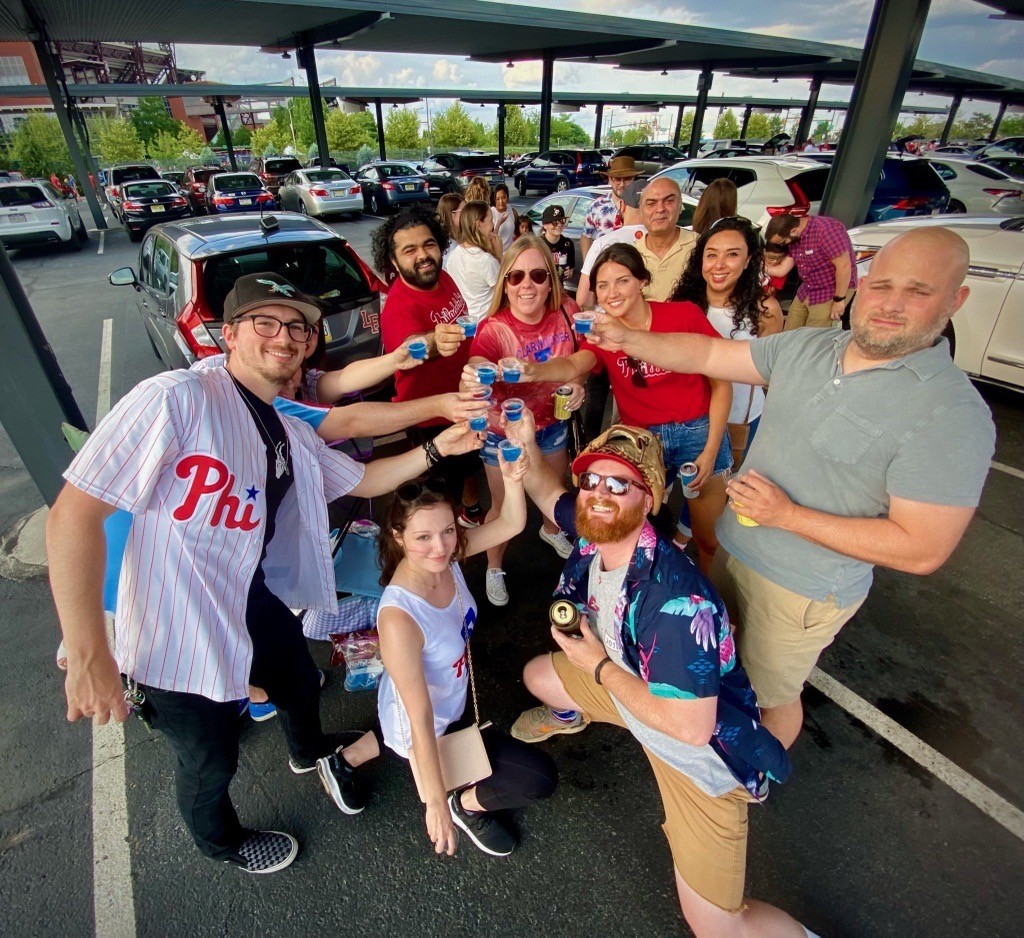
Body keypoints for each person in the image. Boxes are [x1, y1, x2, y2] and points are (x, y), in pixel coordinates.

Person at [46, 271, 486, 873]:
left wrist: (441, 448)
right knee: (211, 761)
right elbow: (73, 516)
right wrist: (89, 648)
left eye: (299, 326)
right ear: (228, 333)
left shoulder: (282, 425)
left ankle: (310, 751)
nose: (285, 336)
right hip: (168, 633)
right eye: (265, 322)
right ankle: (221, 842)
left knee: (299, 683)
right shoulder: (174, 399)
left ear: (310, 344)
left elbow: (363, 479)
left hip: (248, 597)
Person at [586, 227, 995, 749]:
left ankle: (753, 779)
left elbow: (923, 548)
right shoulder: (812, 345)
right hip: (735, 550)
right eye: (881, 285)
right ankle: (717, 756)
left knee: (770, 696)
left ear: (956, 300)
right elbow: (710, 356)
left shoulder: (954, 414)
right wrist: (630, 339)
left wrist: (789, 516)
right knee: (716, 667)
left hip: (800, 589)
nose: (891, 304)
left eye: (918, 292)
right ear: (861, 285)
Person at [507, 418, 805, 937]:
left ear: (649, 502)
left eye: (620, 484)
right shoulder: (597, 528)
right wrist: (526, 444)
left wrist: (596, 666)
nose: (600, 494)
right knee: (539, 675)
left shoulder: (674, 605)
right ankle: (578, 713)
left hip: (693, 755)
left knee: (718, 926)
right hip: (630, 688)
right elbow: (543, 487)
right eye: (593, 481)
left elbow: (689, 729)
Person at [374, 464, 557, 858]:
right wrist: (437, 801)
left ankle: (356, 758)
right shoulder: (399, 619)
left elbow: (510, 521)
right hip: (422, 728)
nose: (440, 547)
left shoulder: (445, 559)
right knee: (537, 779)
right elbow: (418, 715)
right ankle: (464, 807)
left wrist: (511, 475)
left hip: (451, 702)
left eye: (447, 530)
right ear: (398, 537)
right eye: (423, 536)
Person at [520, 243, 732, 573]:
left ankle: (708, 605)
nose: (611, 292)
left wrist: (711, 449)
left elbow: (722, 382)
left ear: (642, 281)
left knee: (709, 539)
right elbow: (574, 364)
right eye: (602, 285)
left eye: (622, 280)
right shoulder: (604, 333)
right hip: (643, 441)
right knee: (631, 529)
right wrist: (532, 370)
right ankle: (635, 591)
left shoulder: (683, 315)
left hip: (698, 431)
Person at [465, 235, 582, 605]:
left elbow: (579, 358)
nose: (526, 285)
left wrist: (577, 383)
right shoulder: (494, 328)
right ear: (505, 284)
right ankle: (494, 566)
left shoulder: (568, 310)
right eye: (515, 277)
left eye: (536, 275)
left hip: (552, 423)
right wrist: (477, 372)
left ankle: (550, 529)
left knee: (555, 485)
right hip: (504, 433)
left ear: (551, 279)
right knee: (502, 507)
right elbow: (476, 362)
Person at [373, 207, 484, 526]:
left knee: (470, 464)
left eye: (429, 244)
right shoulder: (399, 306)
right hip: (430, 416)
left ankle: (472, 509)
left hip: (465, 399)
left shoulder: (444, 277)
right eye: (409, 250)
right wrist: (435, 342)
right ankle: (451, 545)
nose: (422, 255)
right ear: (394, 262)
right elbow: (411, 349)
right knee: (438, 492)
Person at [671, 216, 783, 468]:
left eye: (732, 254)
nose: (719, 265)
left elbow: (769, 375)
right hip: (686, 422)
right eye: (711, 255)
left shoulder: (766, 310)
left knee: (721, 496)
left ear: (749, 261)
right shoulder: (681, 306)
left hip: (739, 421)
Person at [576, 176, 696, 309]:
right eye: (651, 203)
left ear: (680, 206)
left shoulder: (701, 246)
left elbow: (583, 299)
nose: (660, 209)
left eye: (669, 201)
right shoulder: (632, 253)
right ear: (641, 210)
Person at [764, 212, 856, 331]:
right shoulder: (795, 237)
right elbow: (782, 270)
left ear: (792, 231)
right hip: (808, 288)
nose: (782, 246)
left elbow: (844, 266)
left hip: (830, 290)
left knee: (813, 336)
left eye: (782, 243)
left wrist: (839, 300)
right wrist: (757, 267)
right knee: (789, 331)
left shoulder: (826, 230)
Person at [445, 201, 502, 322]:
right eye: (491, 220)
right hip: (485, 324)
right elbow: (504, 292)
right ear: (478, 224)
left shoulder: (453, 256)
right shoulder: (486, 261)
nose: (493, 225)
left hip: (465, 323)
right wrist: (499, 257)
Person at [580, 155, 639, 260]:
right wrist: (587, 266)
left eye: (627, 179)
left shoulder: (643, 206)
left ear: (633, 179)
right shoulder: (596, 206)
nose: (622, 184)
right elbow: (585, 237)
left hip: (634, 268)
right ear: (610, 180)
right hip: (604, 267)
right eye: (617, 179)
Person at [538, 204, 576, 288]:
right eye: (554, 222)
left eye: (562, 221)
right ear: (545, 225)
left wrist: (568, 273)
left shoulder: (568, 244)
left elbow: (570, 272)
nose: (559, 225)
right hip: (541, 288)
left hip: (558, 288)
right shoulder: (538, 244)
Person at [437, 192, 464, 266]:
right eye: (464, 211)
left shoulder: (457, 239)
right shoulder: (450, 247)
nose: (467, 214)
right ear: (452, 214)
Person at [491, 182, 518, 250]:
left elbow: (516, 234)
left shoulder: (512, 211)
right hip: (497, 254)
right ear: (494, 199)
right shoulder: (490, 213)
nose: (501, 201)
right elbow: (490, 239)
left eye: (503, 198)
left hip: (510, 253)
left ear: (507, 197)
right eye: (498, 199)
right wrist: (499, 223)